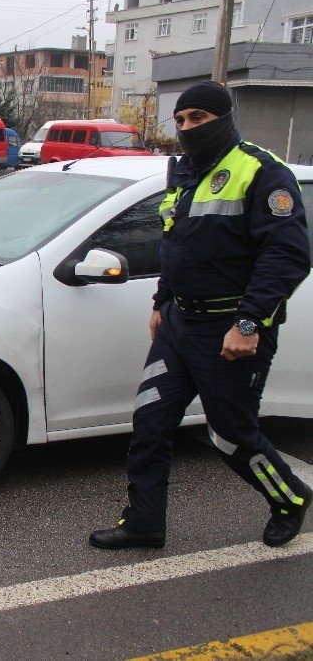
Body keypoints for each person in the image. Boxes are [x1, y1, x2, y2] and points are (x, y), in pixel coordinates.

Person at [90, 81, 311, 550]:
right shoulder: (184, 172)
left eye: (199, 119)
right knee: (150, 421)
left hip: (232, 329)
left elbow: (287, 257)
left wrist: (249, 323)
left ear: (224, 119)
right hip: (178, 323)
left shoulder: (262, 171)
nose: (188, 128)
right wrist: (161, 303)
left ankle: (289, 496)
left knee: (230, 435)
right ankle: (144, 522)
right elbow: (177, 244)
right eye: (182, 120)